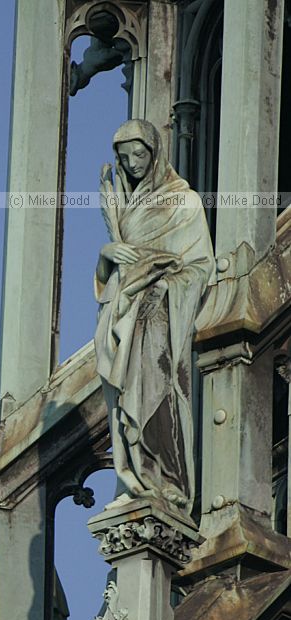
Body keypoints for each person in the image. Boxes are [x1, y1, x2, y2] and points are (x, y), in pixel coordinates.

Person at [95, 119, 214, 510]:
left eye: (140, 154)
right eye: (124, 157)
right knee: (128, 399)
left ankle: (167, 475)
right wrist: (105, 257)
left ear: (157, 153)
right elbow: (109, 283)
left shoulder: (185, 202)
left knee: (159, 393)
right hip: (124, 318)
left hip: (161, 315)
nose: (132, 164)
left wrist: (162, 281)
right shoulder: (127, 208)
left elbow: (200, 267)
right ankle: (138, 472)